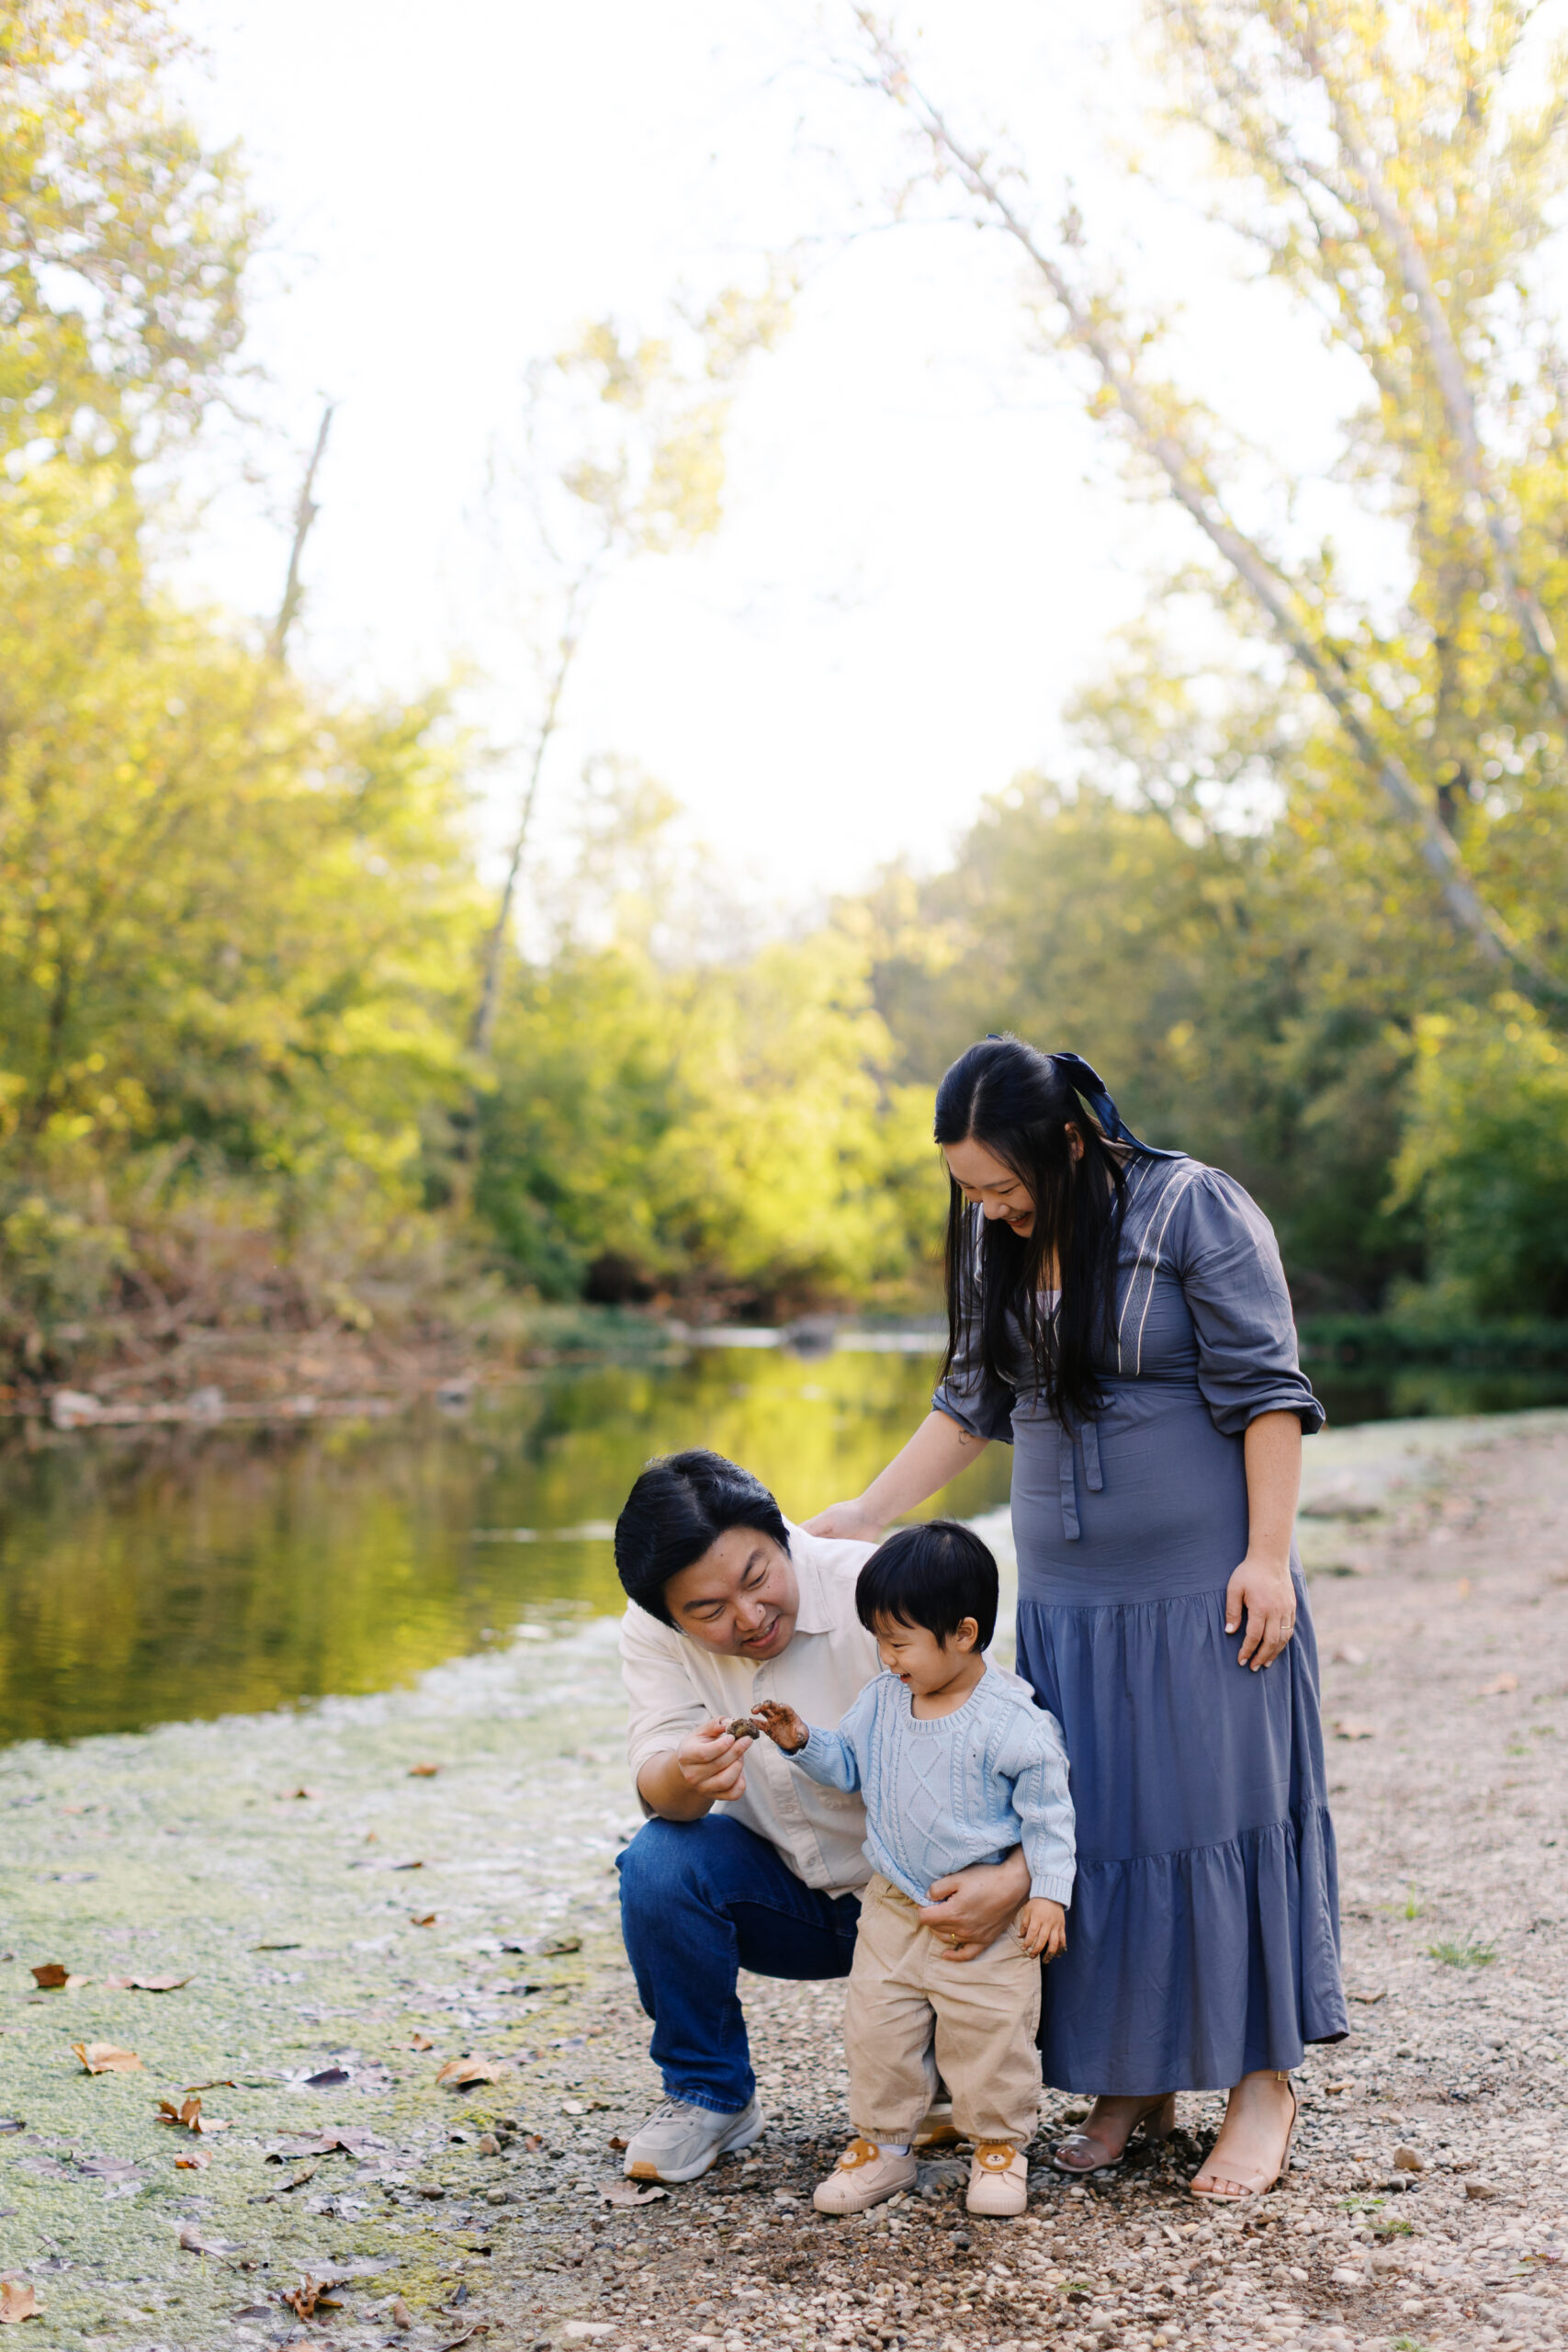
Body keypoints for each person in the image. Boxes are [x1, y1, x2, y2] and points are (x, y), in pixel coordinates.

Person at [808, 1037, 1347, 2200]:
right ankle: (1131, 2079)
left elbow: (1269, 1390)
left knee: (1215, 1814)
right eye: (971, 1192)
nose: (990, 1210)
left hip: (1202, 1585)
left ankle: (1262, 2081)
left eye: (1003, 1186)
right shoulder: (1001, 1240)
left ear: (1064, 1141)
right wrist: (867, 1510)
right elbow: (970, 1404)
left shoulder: (1192, 1206)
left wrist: (1266, 1557)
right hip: (1068, 1607)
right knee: (1094, 1827)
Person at [612, 1448, 1032, 2184]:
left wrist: (1017, 1879)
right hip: (794, 1903)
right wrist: (687, 1772)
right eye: (707, 1611)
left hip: (935, 1903)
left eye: (756, 1579)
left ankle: (951, 2065)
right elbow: (656, 1783)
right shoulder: (653, 1634)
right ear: (669, 1615)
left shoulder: (880, 1591)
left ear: (782, 1535)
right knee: (657, 1862)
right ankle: (709, 2096)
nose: (748, 1617)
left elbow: (1029, 1756)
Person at [750, 1519, 1075, 2219]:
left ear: (961, 1633)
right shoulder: (883, 1698)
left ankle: (998, 2148)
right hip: (893, 1901)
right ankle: (884, 2146)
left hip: (986, 1915)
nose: (885, 1656)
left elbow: (1050, 1816)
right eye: (878, 1640)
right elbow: (849, 1768)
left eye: (898, 1642)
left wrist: (1048, 1896)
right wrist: (802, 1741)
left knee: (990, 2030)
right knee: (877, 2026)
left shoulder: (1013, 1721)